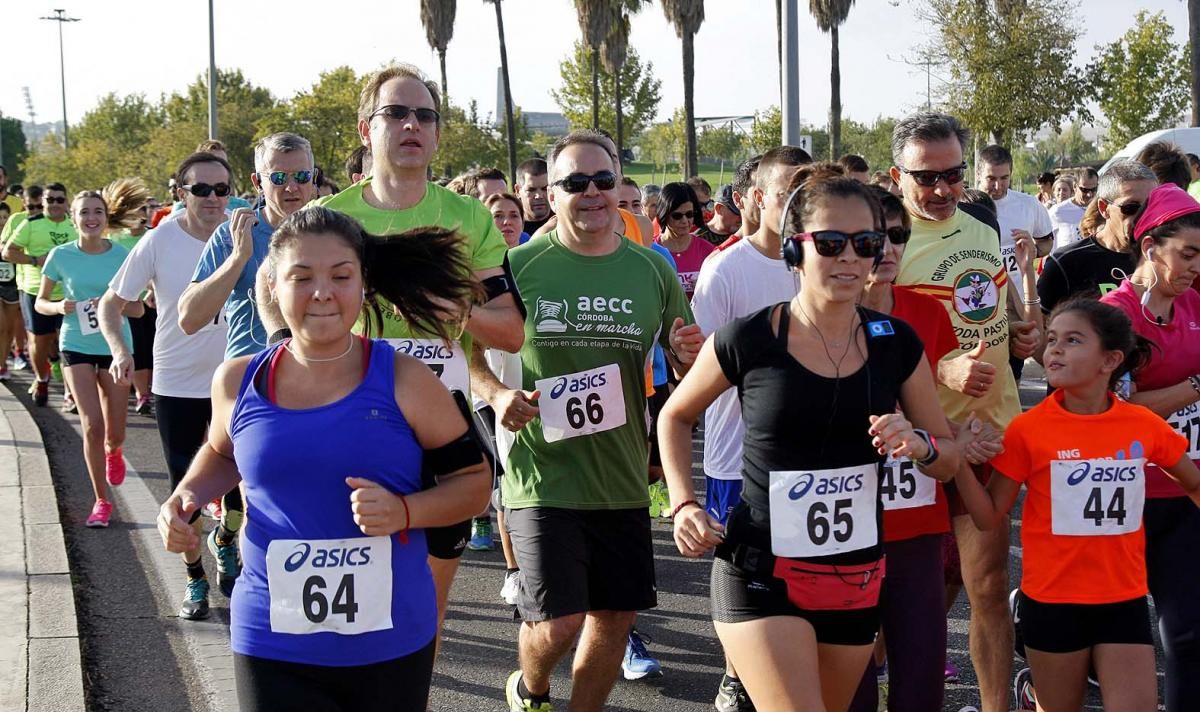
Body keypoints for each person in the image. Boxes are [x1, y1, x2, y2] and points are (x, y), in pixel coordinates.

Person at [157, 206, 490, 711]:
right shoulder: (238, 379)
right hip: (271, 632)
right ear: (272, 285)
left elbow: (474, 483)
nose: (322, 292)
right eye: (301, 277)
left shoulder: (406, 380)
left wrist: (405, 512)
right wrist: (186, 496)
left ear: (362, 285)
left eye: (341, 276)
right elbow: (224, 454)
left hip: (389, 635)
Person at [659, 166, 967, 711]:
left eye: (866, 243)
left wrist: (919, 444)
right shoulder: (749, 338)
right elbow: (676, 416)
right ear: (795, 250)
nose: (850, 258)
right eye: (830, 242)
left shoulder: (896, 343)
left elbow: (947, 458)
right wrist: (684, 501)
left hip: (855, 574)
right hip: (759, 569)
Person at [310, 63, 523, 658]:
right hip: (351, 420)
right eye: (395, 113)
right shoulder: (332, 221)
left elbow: (509, 332)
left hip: (441, 429)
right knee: (345, 610)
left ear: (436, 133)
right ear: (364, 129)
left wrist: (455, 312)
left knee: (421, 616)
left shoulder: (470, 218)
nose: (412, 125)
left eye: (425, 115)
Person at [498, 130, 702, 712]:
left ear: (620, 187)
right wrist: (493, 394)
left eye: (604, 181)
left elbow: (684, 359)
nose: (592, 193)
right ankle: (530, 689)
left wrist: (689, 354)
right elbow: (468, 347)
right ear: (551, 194)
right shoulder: (518, 266)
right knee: (559, 623)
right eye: (575, 183)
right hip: (543, 470)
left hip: (619, 472)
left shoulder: (651, 269)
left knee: (614, 617)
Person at [958, 298, 1200, 712]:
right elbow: (987, 515)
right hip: (1052, 603)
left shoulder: (1141, 425)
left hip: (1122, 599)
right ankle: (1032, 694)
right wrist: (958, 462)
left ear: (1110, 360)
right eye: (1052, 340)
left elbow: (1193, 483)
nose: (1054, 350)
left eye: (1072, 340)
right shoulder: (1028, 430)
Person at [890, 112, 1034, 712]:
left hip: (990, 438)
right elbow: (865, 340)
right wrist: (940, 368)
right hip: (915, 446)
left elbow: (999, 308)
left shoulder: (978, 222)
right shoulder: (880, 240)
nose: (943, 189)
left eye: (952, 173)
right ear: (898, 174)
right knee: (901, 595)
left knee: (988, 587)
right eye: (928, 178)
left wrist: (1023, 332)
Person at [690, 144, 809, 712]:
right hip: (737, 453)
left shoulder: (815, 259)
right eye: (789, 194)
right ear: (757, 198)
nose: (797, 207)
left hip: (811, 454)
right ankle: (736, 673)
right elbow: (699, 374)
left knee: (803, 569)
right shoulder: (726, 268)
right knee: (740, 570)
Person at [99, 151, 232, 620]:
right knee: (185, 492)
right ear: (180, 193)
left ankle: (227, 537)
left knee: (242, 487)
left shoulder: (245, 231)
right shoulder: (160, 240)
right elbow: (112, 305)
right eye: (201, 189)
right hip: (177, 382)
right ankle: (195, 580)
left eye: (221, 189)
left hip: (235, 380)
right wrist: (120, 351)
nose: (213, 198)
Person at [1100, 183, 1200, 712]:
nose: (1194, 267)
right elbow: (1116, 411)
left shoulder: (1196, 305)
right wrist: (1194, 389)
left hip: (1184, 488)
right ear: (1149, 248)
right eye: (1186, 254)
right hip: (1122, 493)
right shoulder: (1113, 314)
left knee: (1186, 633)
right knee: (1117, 634)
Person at [36, 192, 142, 526]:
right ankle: (101, 501)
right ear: (73, 218)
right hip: (75, 344)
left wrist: (112, 305)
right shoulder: (60, 255)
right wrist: (59, 306)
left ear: (106, 217)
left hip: (115, 348)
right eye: (84, 212)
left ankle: (115, 451)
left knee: (115, 431)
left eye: (98, 212)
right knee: (91, 425)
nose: (91, 218)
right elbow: (41, 302)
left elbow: (139, 308)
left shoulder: (122, 255)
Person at [181, 132, 319, 360]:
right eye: (279, 178)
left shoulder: (332, 232)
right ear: (257, 183)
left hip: (315, 376)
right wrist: (238, 257)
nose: (292, 187)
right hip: (250, 375)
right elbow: (189, 319)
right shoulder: (234, 232)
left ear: (313, 177)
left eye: (302, 176)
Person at [1034, 161, 1158, 366]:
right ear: (1104, 208)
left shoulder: (1162, 261)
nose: (1142, 216)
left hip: (1145, 394)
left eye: (1150, 206)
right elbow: (1039, 343)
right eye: (1131, 207)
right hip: (1080, 394)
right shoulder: (1067, 262)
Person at [4, 182, 76, 406]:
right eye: (50, 200)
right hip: (36, 291)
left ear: (66, 202)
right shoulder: (30, 224)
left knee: (68, 342)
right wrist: (35, 260)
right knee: (39, 341)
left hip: (68, 292)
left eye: (59, 200)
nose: (54, 204)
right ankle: (41, 378)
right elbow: (8, 252)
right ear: (42, 202)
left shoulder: (74, 225)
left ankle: (69, 393)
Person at [103, 178, 156, 414]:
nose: (141, 212)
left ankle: (152, 389)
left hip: (154, 302)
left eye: (145, 208)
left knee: (153, 347)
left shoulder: (154, 235)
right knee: (139, 349)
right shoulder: (115, 239)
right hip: (128, 303)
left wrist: (152, 290)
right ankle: (142, 394)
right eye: (137, 207)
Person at [654, 182, 715, 300]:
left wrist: (706, 289)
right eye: (677, 216)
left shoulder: (709, 251)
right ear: (664, 215)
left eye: (690, 214)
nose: (685, 221)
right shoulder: (651, 250)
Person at [713, 155, 767, 254]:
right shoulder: (721, 258)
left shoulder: (795, 251)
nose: (768, 199)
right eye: (759, 193)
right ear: (738, 199)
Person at [1049, 168, 1097, 250]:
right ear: (1075, 186)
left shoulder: (1102, 208)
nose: (1089, 194)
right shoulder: (1057, 211)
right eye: (1084, 190)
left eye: (1093, 189)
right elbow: (1048, 242)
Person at [515, 158, 552, 235]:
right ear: (518, 190)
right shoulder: (510, 228)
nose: (539, 196)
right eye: (531, 190)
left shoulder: (565, 224)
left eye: (545, 189)